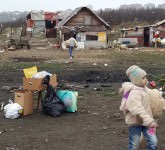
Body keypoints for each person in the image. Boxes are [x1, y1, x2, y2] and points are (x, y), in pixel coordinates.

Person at [119, 65, 158, 150]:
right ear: (136, 80)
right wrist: (150, 122)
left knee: (153, 141)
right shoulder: (134, 93)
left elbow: (152, 93)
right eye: (143, 78)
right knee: (134, 143)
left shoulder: (143, 88)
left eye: (145, 77)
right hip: (136, 123)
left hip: (148, 123)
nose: (146, 80)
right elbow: (137, 109)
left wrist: (159, 95)